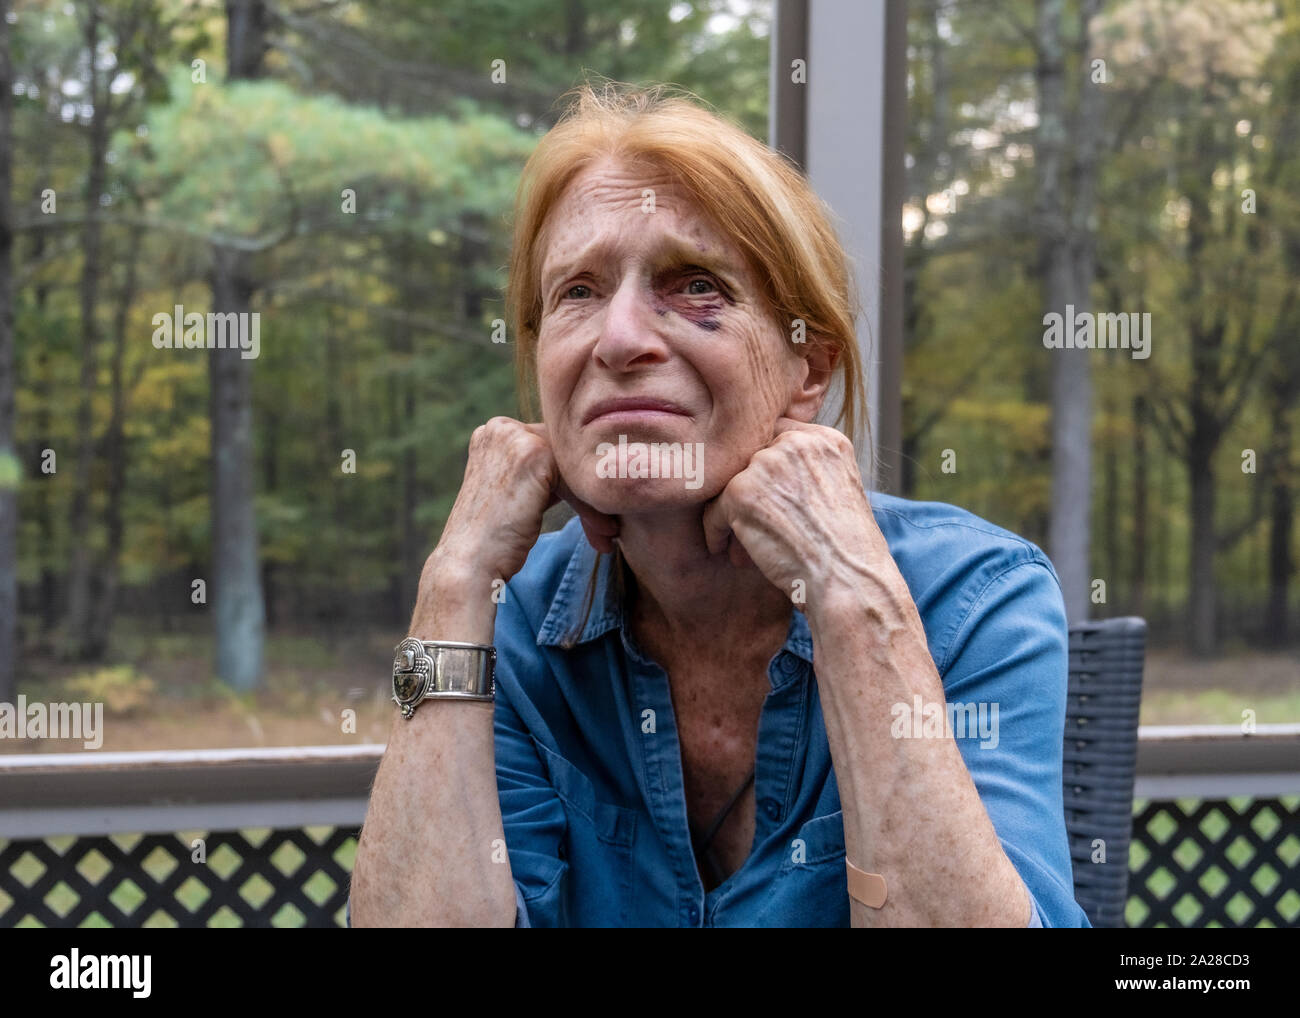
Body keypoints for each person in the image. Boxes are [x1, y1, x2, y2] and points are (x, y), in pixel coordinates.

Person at [348, 82, 1091, 928]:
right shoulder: (511, 627)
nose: (621, 338)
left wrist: (848, 597)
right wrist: (453, 583)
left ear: (807, 369)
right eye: (578, 293)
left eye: (695, 284)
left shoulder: (976, 597)